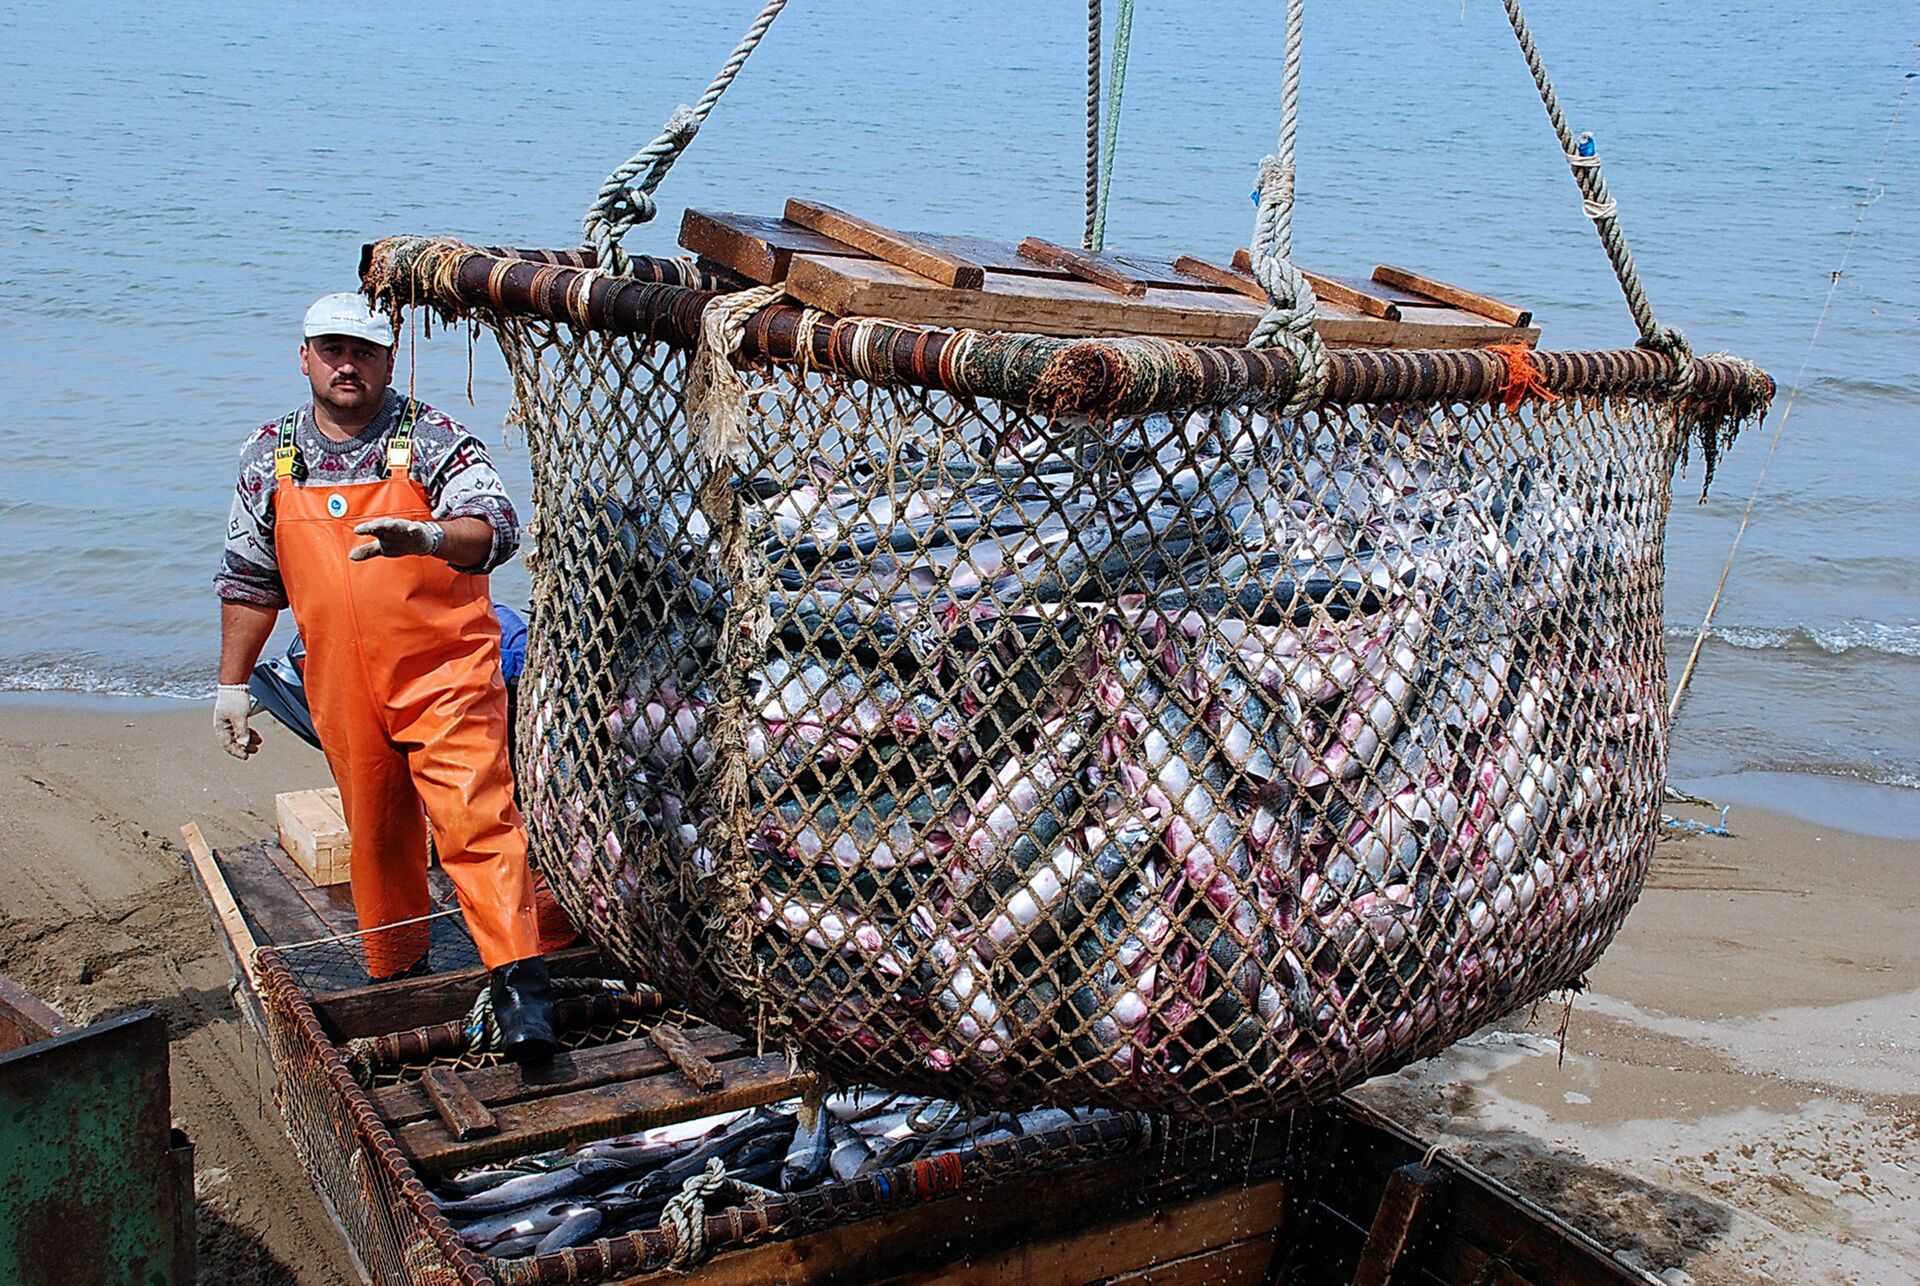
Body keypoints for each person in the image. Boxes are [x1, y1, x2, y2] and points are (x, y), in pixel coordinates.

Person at [214, 292, 566, 1062]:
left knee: (477, 821)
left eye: (365, 351)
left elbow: (498, 525)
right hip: (340, 682)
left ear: (389, 360)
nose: (349, 364)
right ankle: (398, 967)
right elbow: (249, 578)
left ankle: (521, 991)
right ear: (304, 355)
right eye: (333, 349)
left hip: (445, 671)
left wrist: (433, 535)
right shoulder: (269, 455)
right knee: (375, 833)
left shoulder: (434, 438)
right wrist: (233, 685)